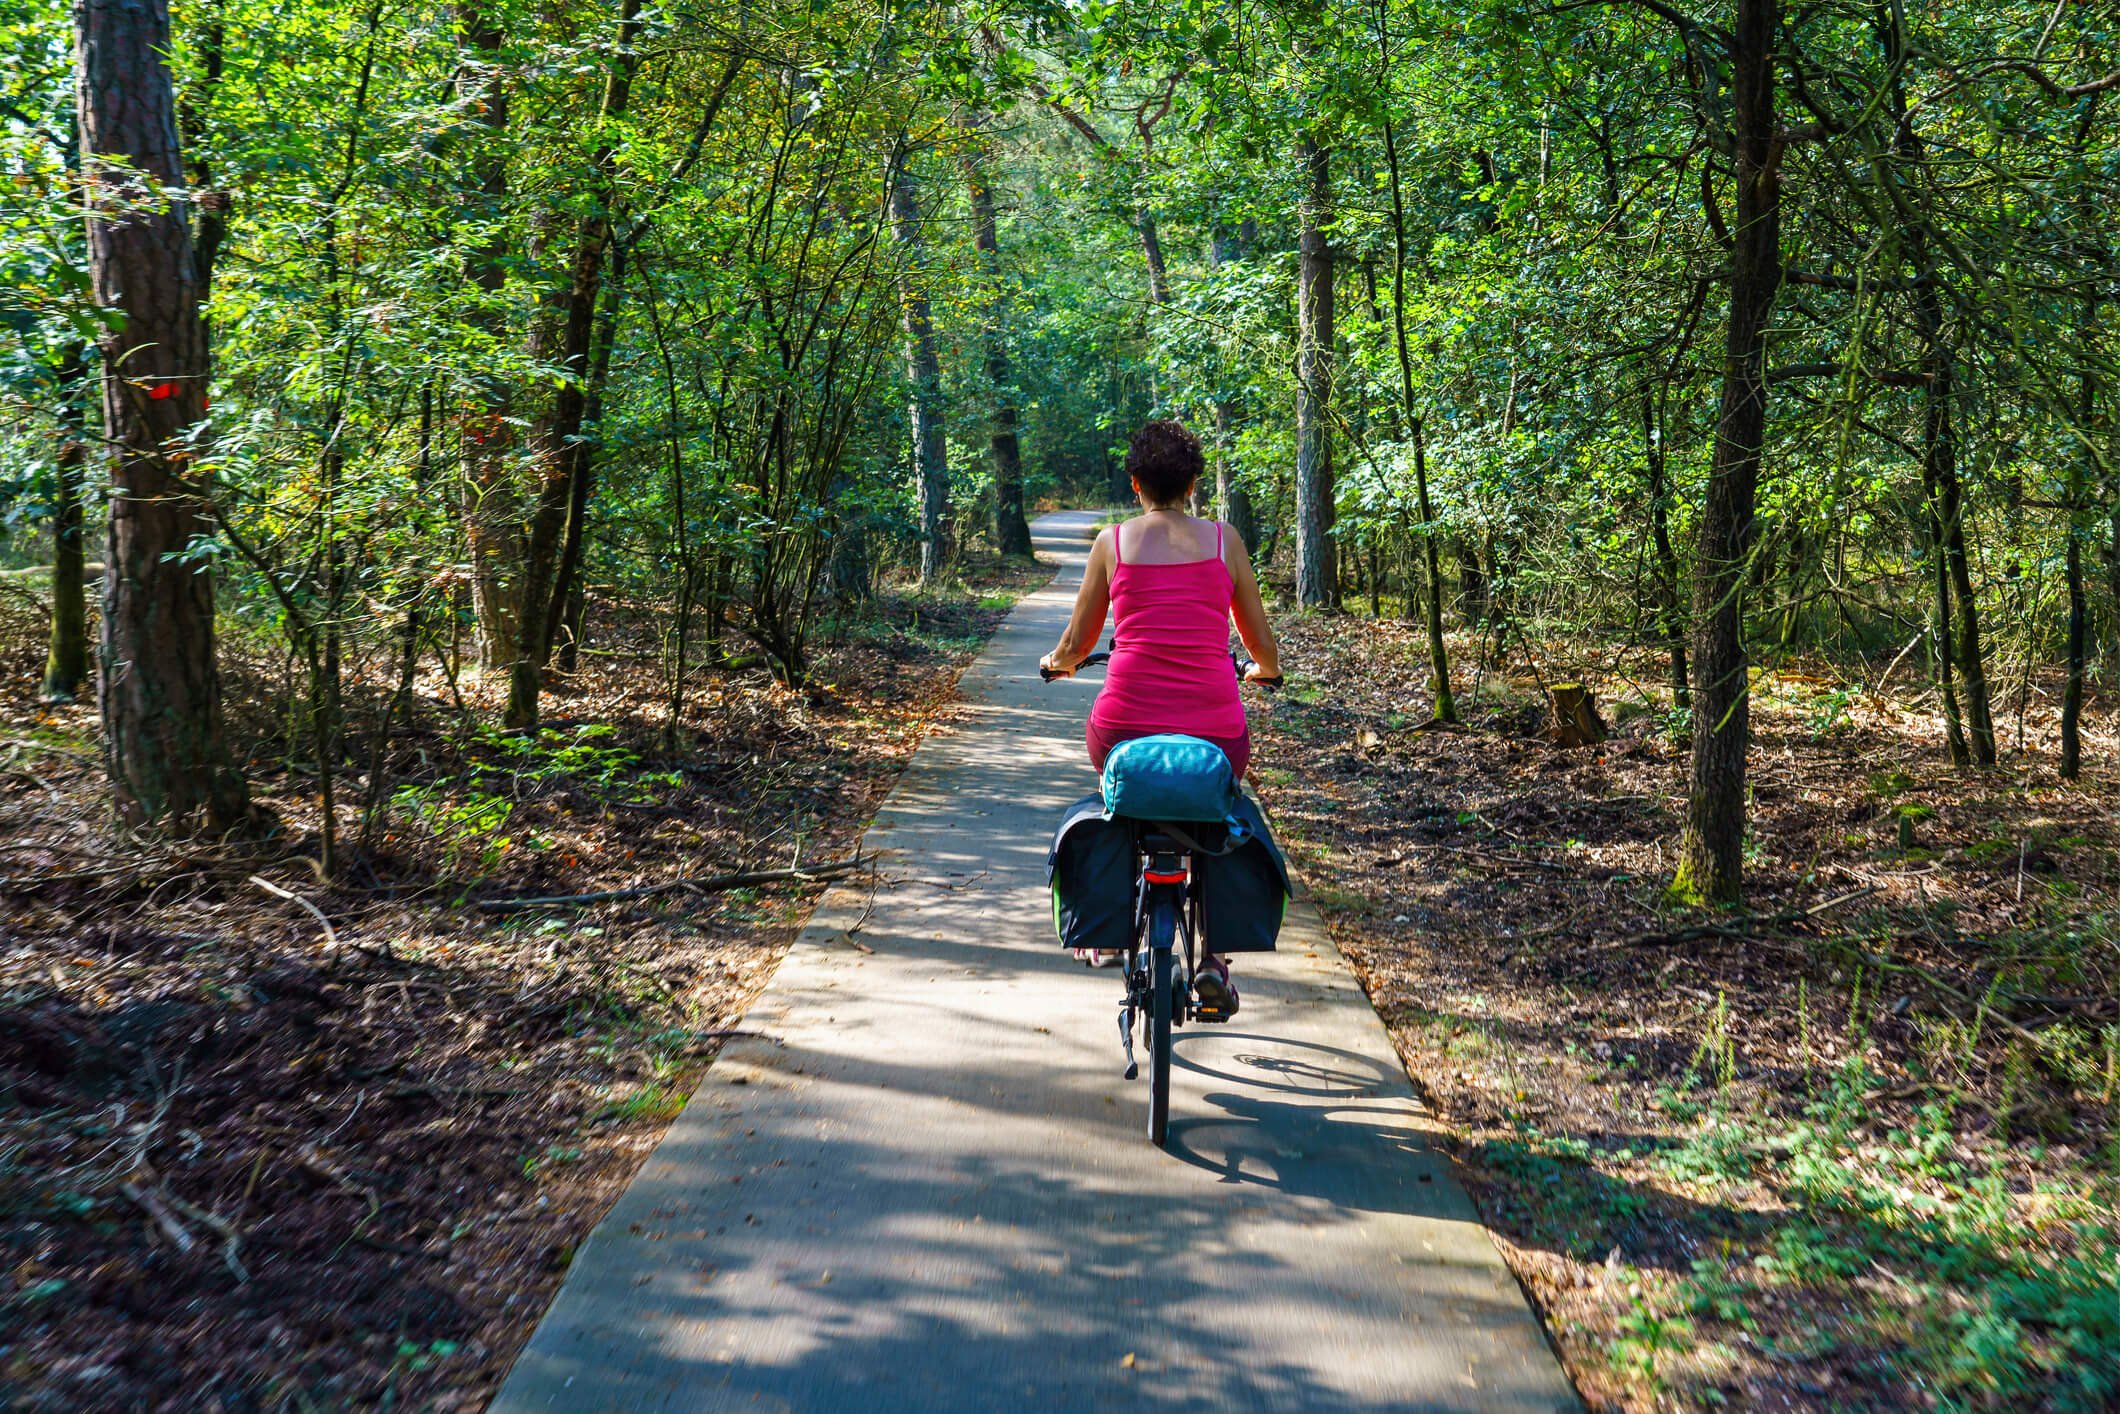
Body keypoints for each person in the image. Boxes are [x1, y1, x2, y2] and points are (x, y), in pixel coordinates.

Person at [1039, 419, 1282, 1015]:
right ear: (1195, 483)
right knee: (1218, 806)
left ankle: (1114, 922)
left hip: (1124, 727)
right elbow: (1262, 649)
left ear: (1134, 483)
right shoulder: (1225, 542)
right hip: (1216, 732)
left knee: (1121, 790)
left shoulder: (1112, 544)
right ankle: (1216, 958)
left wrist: (1057, 663)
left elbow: (1077, 642)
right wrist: (1260, 672)